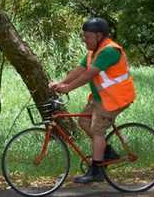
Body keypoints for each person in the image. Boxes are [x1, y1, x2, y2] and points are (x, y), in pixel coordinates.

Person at [49, 17, 135, 184]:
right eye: (84, 36)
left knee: (97, 130)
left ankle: (97, 171)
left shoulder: (110, 51)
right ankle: (106, 151)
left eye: (87, 36)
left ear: (99, 36)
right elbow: (81, 69)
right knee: (83, 122)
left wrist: (68, 88)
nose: (84, 40)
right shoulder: (93, 52)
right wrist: (61, 82)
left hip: (115, 99)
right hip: (101, 98)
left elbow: (90, 74)